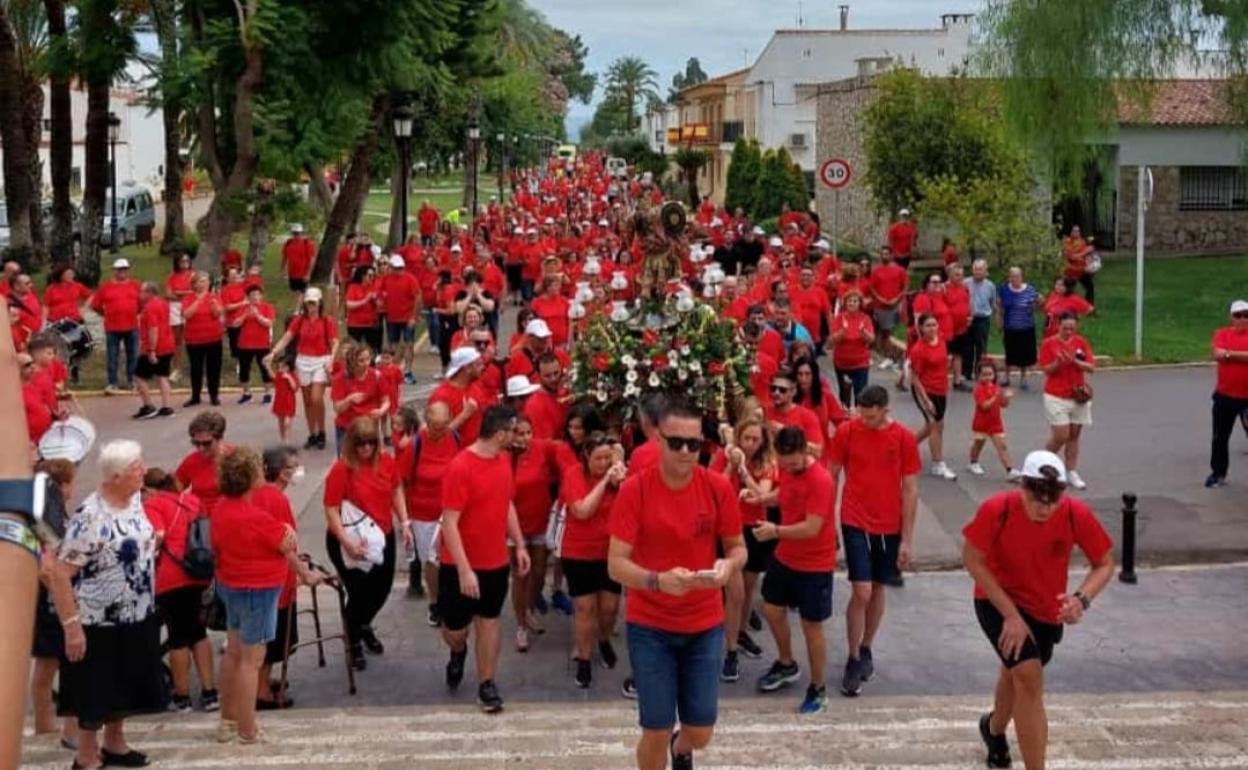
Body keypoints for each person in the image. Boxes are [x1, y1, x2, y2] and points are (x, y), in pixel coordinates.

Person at [607, 398, 746, 770]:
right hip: (650, 625)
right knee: (655, 727)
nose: (686, 452)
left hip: (703, 623)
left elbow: (738, 548)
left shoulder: (717, 487)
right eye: (676, 443)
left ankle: (680, 748)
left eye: (694, 444)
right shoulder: (635, 490)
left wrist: (727, 567)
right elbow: (615, 564)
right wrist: (656, 581)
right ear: (657, 440)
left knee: (701, 731)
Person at [963, 450, 1115, 770]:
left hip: (1045, 608)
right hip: (996, 599)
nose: (1044, 508)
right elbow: (972, 559)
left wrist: (1081, 599)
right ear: (1023, 488)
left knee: (1015, 674)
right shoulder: (998, 509)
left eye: (1052, 500)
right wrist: (1010, 615)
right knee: (1029, 677)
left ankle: (993, 730)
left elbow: (1104, 563)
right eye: (1037, 499)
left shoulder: (1075, 513)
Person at [46, 440, 167, 770]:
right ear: (115, 477)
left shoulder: (134, 500)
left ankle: (115, 743)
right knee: (95, 689)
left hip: (136, 612)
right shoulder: (91, 517)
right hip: (97, 620)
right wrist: (72, 627)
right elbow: (59, 572)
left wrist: (151, 541)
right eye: (135, 468)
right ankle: (86, 755)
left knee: (127, 682)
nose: (142, 471)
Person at [212, 447, 319, 745]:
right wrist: (285, 530)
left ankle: (228, 720)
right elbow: (287, 540)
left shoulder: (221, 507)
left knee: (233, 653)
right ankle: (248, 728)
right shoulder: (255, 516)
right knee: (252, 660)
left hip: (230, 584)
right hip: (258, 589)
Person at [827, 385, 920, 697]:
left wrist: (906, 539)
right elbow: (832, 473)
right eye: (861, 415)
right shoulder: (847, 432)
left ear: (885, 409)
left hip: (889, 524)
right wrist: (827, 520)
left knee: (878, 587)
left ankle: (866, 647)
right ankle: (853, 657)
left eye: (871, 416)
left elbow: (910, 489)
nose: (864, 421)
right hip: (855, 519)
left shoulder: (904, 438)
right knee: (861, 590)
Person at [438, 405, 532, 713]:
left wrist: (519, 544)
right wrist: (465, 571)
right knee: (454, 630)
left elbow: (506, 504)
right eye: (514, 432)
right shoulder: (461, 467)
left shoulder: (503, 461)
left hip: (494, 562)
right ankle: (458, 650)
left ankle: (486, 683)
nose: (518, 438)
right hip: (459, 564)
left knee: (490, 621)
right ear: (501, 433)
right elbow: (449, 522)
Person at [751, 427, 838, 714]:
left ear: (804, 452)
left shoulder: (821, 481)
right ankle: (787, 663)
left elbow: (811, 528)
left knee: (811, 625)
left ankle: (818, 687)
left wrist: (775, 530)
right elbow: (784, 493)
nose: (788, 468)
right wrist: (764, 500)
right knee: (772, 609)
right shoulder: (788, 470)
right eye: (784, 463)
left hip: (814, 563)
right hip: (786, 557)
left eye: (793, 463)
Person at [323, 417, 412, 669]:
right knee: (360, 592)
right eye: (360, 444)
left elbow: (396, 490)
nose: (365, 449)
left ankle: (362, 624)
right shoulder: (342, 469)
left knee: (381, 589)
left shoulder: (386, 462)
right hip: (349, 539)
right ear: (352, 443)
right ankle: (353, 640)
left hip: (381, 535)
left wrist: (404, 522)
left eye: (370, 443)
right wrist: (346, 542)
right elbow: (330, 509)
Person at [141, 469, 217, 713]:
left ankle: (182, 697)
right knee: (198, 633)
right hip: (198, 573)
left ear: (149, 489)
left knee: (178, 638)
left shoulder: (153, 504)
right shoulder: (192, 501)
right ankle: (209, 693)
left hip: (171, 576)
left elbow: (158, 537)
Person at [708, 414, 776, 681]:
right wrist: (730, 465)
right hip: (725, 528)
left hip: (753, 526)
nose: (750, 444)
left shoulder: (767, 460)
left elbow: (761, 495)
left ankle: (739, 632)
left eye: (755, 439)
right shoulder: (722, 455)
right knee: (730, 591)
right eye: (746, 438)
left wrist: (744, 470)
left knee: (747, 588)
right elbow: (717, 490)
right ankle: (729, 646)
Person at [560, 431, 627, 688]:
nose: (603, 464)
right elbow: (582, 510)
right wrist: (603, 483)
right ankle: (585, 659)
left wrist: (620, 478)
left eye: (607, 458)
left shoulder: (619, 475)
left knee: (609, 608)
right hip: (578, 552)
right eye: (598, 458)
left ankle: (604, 638)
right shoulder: (574, 475)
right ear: (587, 456)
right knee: (585, 608)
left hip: (610, 551)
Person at [29, 458, 79, 748]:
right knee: (52, 664)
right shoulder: (49, 517)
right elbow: (47, 565)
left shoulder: (48, 512)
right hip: (51, 600)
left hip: (49, 597)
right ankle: (47, 726)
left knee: (49, 664)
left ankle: (46, 725)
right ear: (62, 485)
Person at [396, 401, 460, 626]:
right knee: (432, 561)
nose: (439, 431)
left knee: (450, 557)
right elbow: (400, 482)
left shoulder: (454, 438)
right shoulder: (416, 444)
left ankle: (451, 598)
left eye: (444, 425)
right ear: (427, 422)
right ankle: (434, 602)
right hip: (423, 513)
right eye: (435, 426)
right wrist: (405, 520)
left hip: (451, 511)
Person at [252, 446, 306, 710]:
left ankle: (262, 682)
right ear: (282, 472)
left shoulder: (262, 495)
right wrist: (304, 573)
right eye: (293, 466)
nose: (297, 470)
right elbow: (283, 544)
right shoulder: (276, 499)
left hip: (269, 579)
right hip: (278, 581)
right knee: (272, 642)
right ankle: (261, 692)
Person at [266, 287, 340, 450]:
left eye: (313, 303)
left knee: (316, 398)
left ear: (319, 303)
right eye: (308, 303)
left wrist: (332, 359)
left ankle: (321, 431)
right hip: (303, 360)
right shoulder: (299, 320)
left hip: (321, 360)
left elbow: (335, 342)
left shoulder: (327, 321)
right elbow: (287, 338)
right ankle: (312, 433)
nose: (310, 307)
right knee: (307, 401)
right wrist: (273, 353)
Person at [507, 414, 556, 650]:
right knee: (520, 575)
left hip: (540, 521)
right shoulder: (504, 456)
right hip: (515, 527)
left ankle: (528, 609)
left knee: (538, 572)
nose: (525, 438)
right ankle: (521, 625)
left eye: (528, 432)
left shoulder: (542, 449)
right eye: (519, 433)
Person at [1038, 314, 1095, 491]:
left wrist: (1075, 362)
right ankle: (1042, 462)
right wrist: (1058, 363)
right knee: (1061, 435)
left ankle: (1071, 471)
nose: (1069, 331)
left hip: (1077, 394)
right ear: (1058, 326)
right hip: (1056, 395)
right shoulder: (1049, 343)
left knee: (1074, 435)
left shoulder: (1081, 342)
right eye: (1065, 328)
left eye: (1072, 328)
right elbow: (1046, 369)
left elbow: (1091, 367)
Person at [910, 313, 957, 480]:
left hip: (940, 389)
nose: (932, 328)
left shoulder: (941, 339)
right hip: (925, 390)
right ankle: (938, 464)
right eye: (928, 325)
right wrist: (926, 400)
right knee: (934, 426)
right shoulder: (919, 350)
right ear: (921, 328)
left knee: (936, 426)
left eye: (934, 325)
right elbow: (914, 377)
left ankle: (907, 446)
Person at [1208, 299, 1248, 487]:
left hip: (1246, 399)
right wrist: (1240, 356)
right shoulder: (1221, 333)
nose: (1242, 319)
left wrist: (1229, 354)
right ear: (1231, 318)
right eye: (1238, 315)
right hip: (1224, 396)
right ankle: (1218, 473)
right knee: (1220, 437)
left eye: (1246, 316)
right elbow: (1216, 354)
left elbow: (1223, 354)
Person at [90, 258, 142, 394]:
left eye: (125, 269)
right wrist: (105, 314)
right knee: (112, 356)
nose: (122, 272)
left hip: (132, 326)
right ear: (114, 271)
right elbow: (95, 305)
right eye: (120, 269)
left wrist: (136, 311)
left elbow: (142, 303)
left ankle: (132, 381)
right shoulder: (105, 287)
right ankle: (112, 382)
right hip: (112, 327)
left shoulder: (136, 285)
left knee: (133, 355)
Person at [330, 343, 389, 452]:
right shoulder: (340, 379)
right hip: (347, 427)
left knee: (374, 462)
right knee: (347, 462)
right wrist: (349, 399)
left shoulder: (377, 376)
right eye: (361, 361)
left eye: (368, 359)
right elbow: (337, 408)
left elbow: (386, 400)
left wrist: (381, 411)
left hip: (370, 427)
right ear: (352, 362)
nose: (366, 363)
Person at [968, 360, 1019, 480]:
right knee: (978, 444)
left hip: (996, 424)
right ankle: (973, 462)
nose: (988, 377)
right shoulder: (979, 390)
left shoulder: (997, 388)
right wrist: (995, 396)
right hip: (982, 424)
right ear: (979, 376)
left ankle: (1010, 469)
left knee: (1002, 446)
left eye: (990, 374)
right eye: (984, 375)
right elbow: (984, 406)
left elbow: (1003, 404)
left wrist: (1006, 398)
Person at [180, 271, 225, 407]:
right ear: (194, 284)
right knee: (196, 368)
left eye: (206, 281)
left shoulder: (214, 296)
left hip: (213, 338)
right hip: (194, 339)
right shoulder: (188, 298)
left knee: (214, 368)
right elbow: (187, 315)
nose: (204, 283)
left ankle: (214, 395)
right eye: (201, 281)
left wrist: (215, 306)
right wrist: (199, 301)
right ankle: (195, 396)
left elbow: (218, 315)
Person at [133, 282, 176, 419]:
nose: (139, 295)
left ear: (149, 293)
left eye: (142, 292)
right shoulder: (163, 303)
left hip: (155, 348)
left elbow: (153, 329)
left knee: (139, 376)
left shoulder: (150, 308)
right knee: (162, 376)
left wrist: (151, 350)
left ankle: (148, 406)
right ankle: (166, 407)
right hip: (168, 344)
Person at [380, 254, 422, 383]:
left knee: (409, 344)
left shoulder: (410, 279)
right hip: (392, 318)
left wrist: (414, 317)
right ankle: (394, 369)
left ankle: (408, 371)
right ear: (391, 268)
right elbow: (381, 293)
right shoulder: (386, 279)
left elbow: (418, 297)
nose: (398, 270)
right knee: (393, 345)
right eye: (396, 268)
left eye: (400, 268)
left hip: (407, 318)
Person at [998, 267, 1040, 389]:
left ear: (1021, 277)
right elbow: (1000, 307)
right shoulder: (1004, 289)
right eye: (1012, 276)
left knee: (1025, 354)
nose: (1014, 279)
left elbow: (1037, 304)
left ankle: (1024, 378)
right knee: (1009, 353)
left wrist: (1036, 304)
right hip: (1010, 327)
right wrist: (999, 322)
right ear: (1009, 277)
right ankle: (1006, 377)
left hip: (1026, 327)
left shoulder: (1030, 290)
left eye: (1017, 276)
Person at [830, 290, 874, 406]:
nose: (852, 303)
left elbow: (871, 340)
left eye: (855, 301)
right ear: (845, 303)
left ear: (859, 304)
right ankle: (846, 416)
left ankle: (859, 418)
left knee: (861, 394)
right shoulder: (839, 318)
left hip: (861, 364)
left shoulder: (865, 318)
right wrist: (843, 331)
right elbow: (832, 340)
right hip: (842, 363)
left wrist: (863, 331)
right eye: (850, 301)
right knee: (845, 394)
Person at [233, 285, 275, 404]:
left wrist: (257, 315)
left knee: (264, 369)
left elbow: (269, 323)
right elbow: (235, 324)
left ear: (261, 296)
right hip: (244, 345)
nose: (255, 297)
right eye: (252, 295)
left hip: (262, 345)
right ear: (248, 297)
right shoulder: (243, 308)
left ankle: (267, 393)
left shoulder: (267, 307)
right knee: (244, 370)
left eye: (257, 295)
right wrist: (245, 315)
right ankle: (246, 394)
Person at [868, 247, 907, 371]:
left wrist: (896, 299)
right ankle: (889, 357)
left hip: (895, 306)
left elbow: (905, 287)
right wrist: (881, 299)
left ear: (891, 255)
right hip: (880, 306)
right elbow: (872, 288)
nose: (884, 256)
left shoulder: (900, 270)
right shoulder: (876, 271)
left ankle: (892, 358)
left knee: (891, 332)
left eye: (886, 254)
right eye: (882, 254)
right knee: (884, 332)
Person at [963, 259, 997, 383]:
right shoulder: (965, 283)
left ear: (985, 271)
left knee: (981, 347)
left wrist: (997, 319)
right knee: (967, 347)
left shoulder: (990, 285)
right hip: (967, 319)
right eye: (975, 269)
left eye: (980, 269)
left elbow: (993, 303)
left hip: (982, 319)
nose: (977, 272)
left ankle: (980, 373)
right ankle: (966, 373)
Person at [345, 265, 383, 351]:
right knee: (354, 349)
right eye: (370, 275)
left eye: (373, 275)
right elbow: (349, 304)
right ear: (363, 276)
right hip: (355, 325)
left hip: (371, 324)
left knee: (371, 349)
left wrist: (376, 300)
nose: (372, 278)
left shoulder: (374, 287)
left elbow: (380, 305)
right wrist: (365, 300)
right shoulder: (353, 287)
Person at [1061, 225, 1096, 305]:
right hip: (1071, 271)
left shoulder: (1082, 242)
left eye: (1078, 231)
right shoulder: (1066, 242)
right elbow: (1071, 257)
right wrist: (1085, 252)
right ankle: (1065, 307)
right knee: (1068, 291)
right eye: (1074, 231)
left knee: (1090, 287)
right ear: (1071, 232)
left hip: (1082, 270)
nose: (1076, 233)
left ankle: (1089, 308)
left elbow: (1088, 254)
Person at [281, 223, 315, 296]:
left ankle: (301, 307)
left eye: (298, 233)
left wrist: (308, 274)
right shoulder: (288, 243)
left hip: (303, 274)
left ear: (302, 233)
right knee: (294, 293)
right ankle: (296, 307)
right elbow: (284, 258)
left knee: (304, 293)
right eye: (294, 233)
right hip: (292, 274)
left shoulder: (307, 243)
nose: (296, 235)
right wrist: (283, 271)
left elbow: (311, 260)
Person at [271, 358, 299, 443]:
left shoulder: (292, 375)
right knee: (281, 422)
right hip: (279, 401)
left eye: (283, 367)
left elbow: (295, 387)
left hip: (289, 402)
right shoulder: (279, 375)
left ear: (288, 367)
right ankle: (282, 439)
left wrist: (289, 378)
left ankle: (287, 441)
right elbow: (273, 377)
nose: (280, 369)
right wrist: (267, 366)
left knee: (287, 423)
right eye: (279, 367)